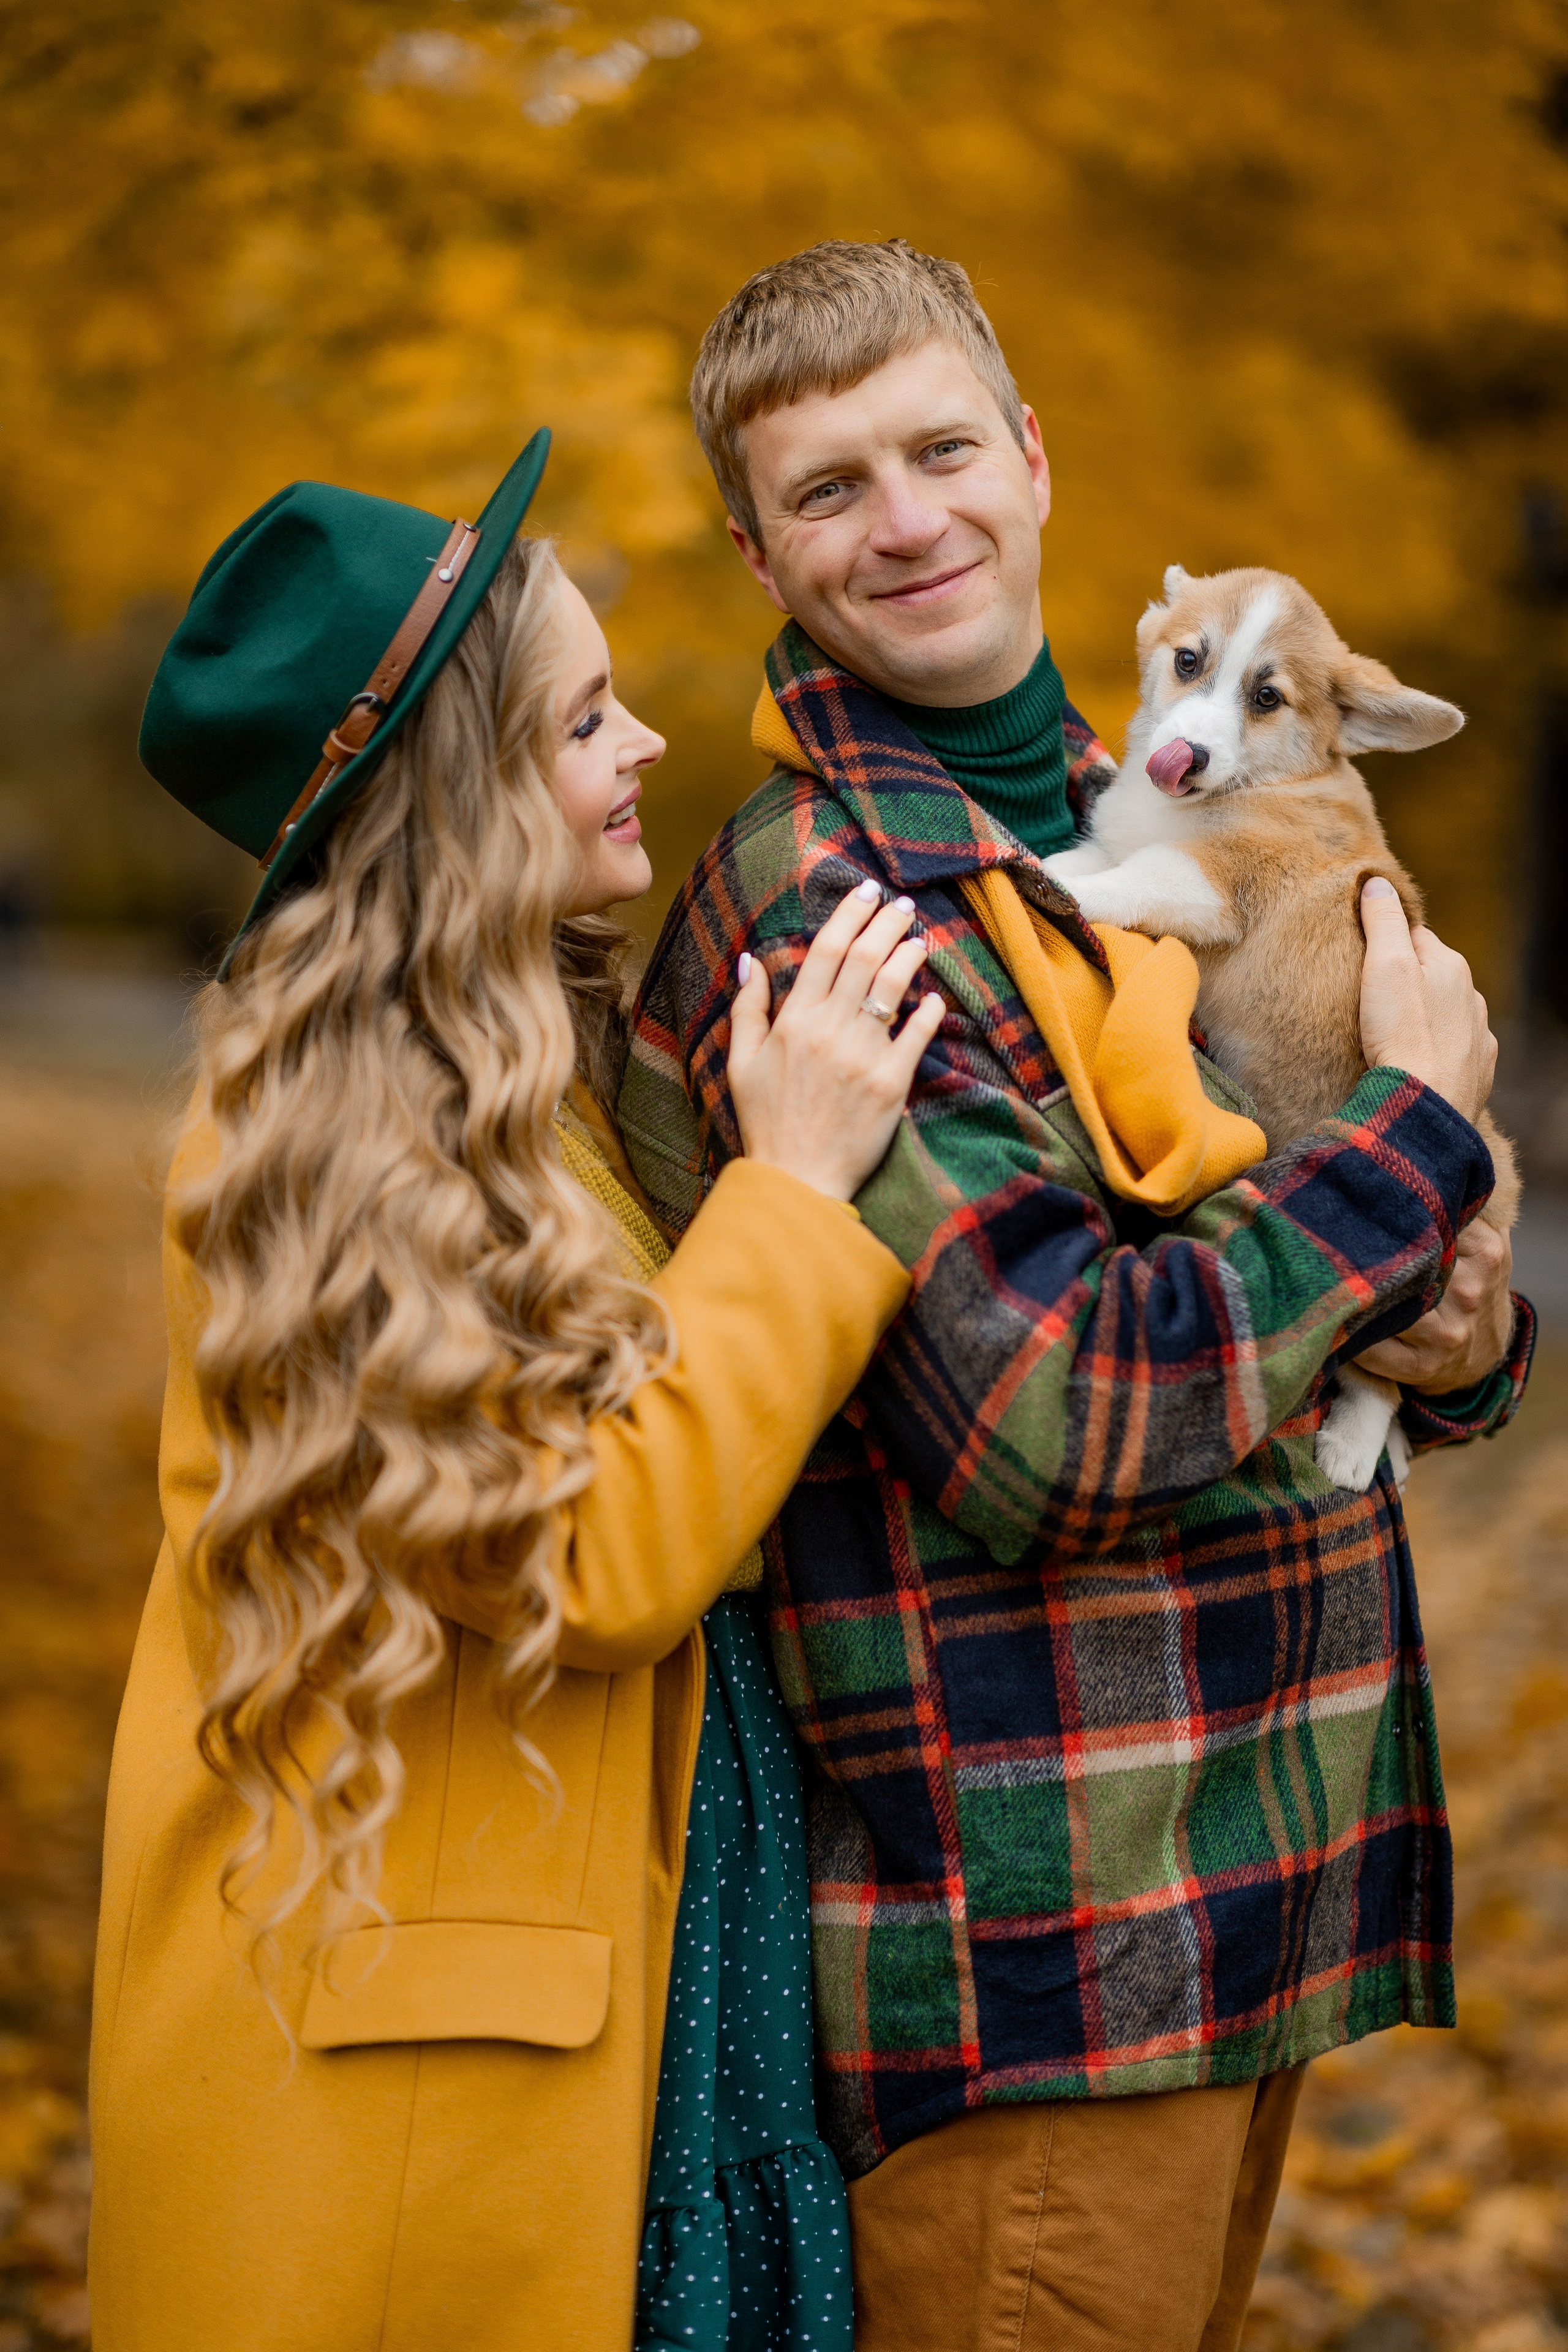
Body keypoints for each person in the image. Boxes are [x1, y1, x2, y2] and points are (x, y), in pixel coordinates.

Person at [617, 241, 1537, 2351]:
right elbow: (1059, 1417)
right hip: (1039, 1939)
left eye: (942, 448)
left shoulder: (1167, 811)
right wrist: (1417, 1146)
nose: (911, 516)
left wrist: (1462, 1325)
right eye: (830, 488)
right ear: (756, 548)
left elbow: (1372, 1294)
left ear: (1034, 465)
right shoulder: (827, 901)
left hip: (1256, 1884)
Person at [88, 433, 948, 2352]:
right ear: (453, 796)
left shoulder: (511, 1073)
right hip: (448, 2056)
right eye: (581, 720)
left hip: (649, 1950)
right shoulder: (326, 1131)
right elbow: (599, 1550)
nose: (643, 741)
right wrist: (794, 1196)